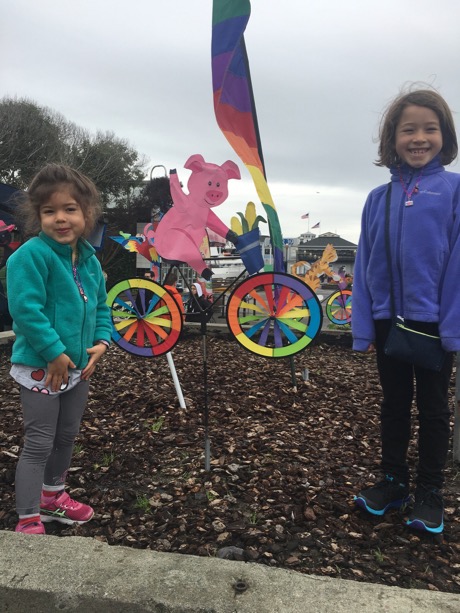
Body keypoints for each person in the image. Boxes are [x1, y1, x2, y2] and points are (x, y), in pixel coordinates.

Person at [352, 87, 460, 534]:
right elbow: (363, 263)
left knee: (434, 409)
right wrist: (363, 326)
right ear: (392, 138)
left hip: (434, 322)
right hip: (388, 322)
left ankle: (430, 490)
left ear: (445, 136)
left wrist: (452, 328)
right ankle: (393, 481)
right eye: (408, 129)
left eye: (429, 129)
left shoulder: (453, 191)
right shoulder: (379, 198)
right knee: (394, 404)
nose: (419, 138)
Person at [7, 164, 112, 535]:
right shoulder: (30, 256)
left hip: (78, 367)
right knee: (39, 441)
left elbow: (101, 306)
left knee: (66, 435)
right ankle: (28, 517)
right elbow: (25, 309)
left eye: (70, 209)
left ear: (86, 214)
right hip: (41, 366)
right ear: (38, 216)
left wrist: (101, 343)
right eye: (49, 212)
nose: (60, 219)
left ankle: (54, 497)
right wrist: (53, 351)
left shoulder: (89, 260)